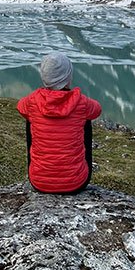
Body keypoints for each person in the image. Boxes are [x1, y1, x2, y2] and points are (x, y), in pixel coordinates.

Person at [17, 52, 102, 194]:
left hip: (39, 183)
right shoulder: (81, 102)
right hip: (76, 183)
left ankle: (40, 170)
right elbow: (97, 110)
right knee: (85, 119)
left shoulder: (32, 100)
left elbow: (20, 107)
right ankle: (73, 170)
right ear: (68, 78)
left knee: (30, 117)